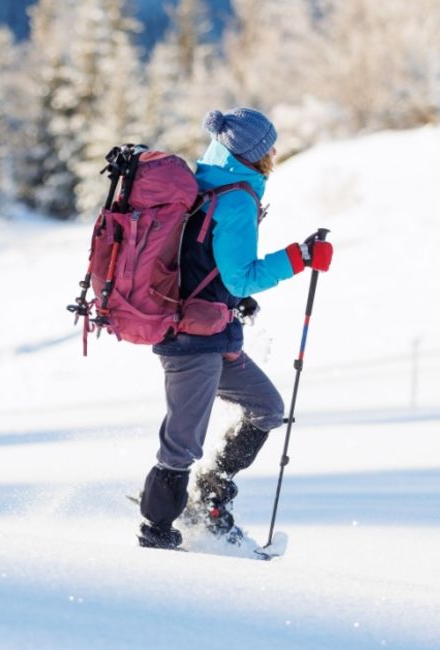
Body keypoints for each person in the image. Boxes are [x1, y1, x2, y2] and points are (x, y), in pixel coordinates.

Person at [137, 107, 333, 549]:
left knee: (267, 408)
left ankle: (211, 495)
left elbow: (202, 260)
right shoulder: (237, 198)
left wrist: (235, 301)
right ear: (254, 153)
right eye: (269, 146)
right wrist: (298, 258)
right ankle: (157, 531)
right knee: (182, 443)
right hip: (193, 341)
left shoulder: (204, 180)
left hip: (211, 331)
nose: (275, 151)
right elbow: (240, 274)